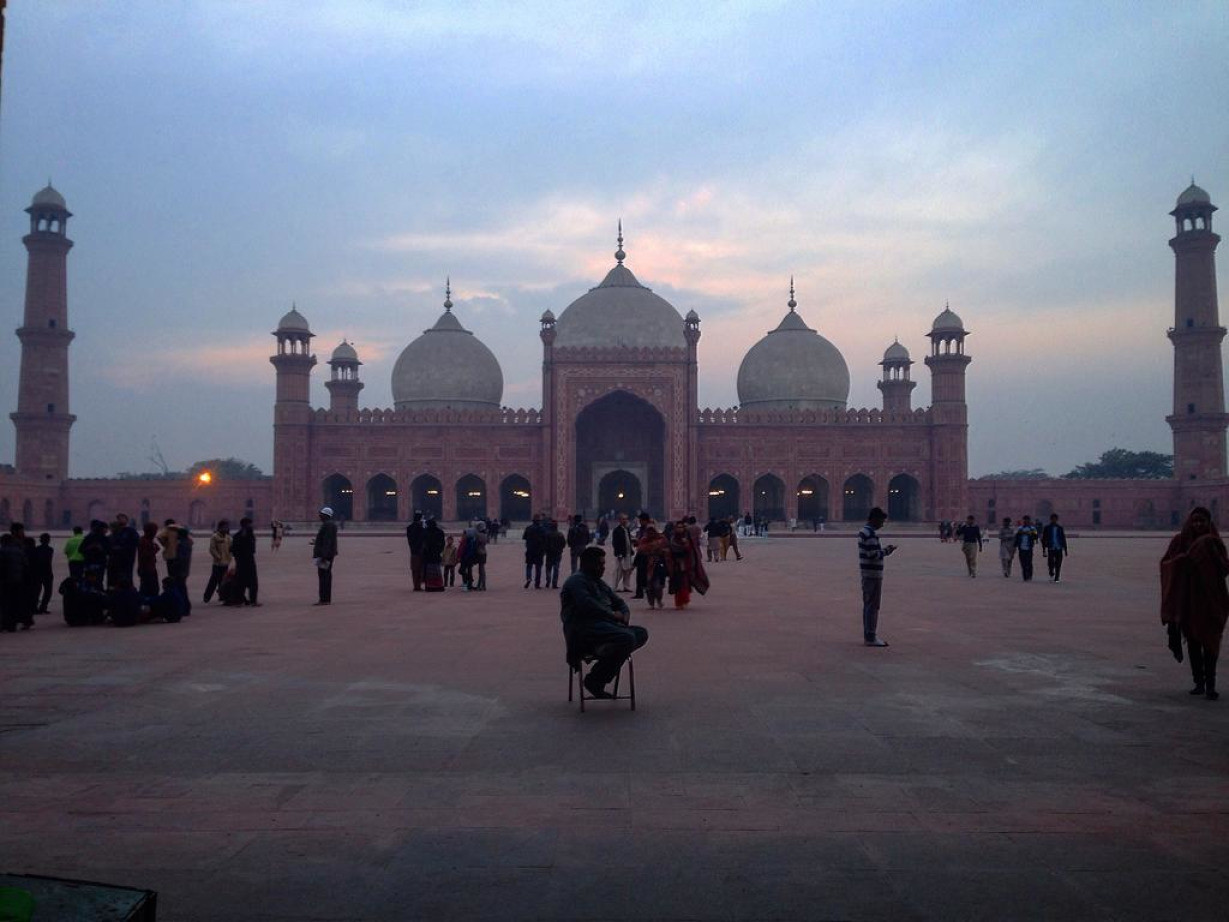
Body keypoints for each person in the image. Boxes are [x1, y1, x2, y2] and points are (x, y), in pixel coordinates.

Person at [560, 546, 650, 699]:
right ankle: (595, 679)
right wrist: (613, 615)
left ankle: (609, 649)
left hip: (606, 628)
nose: (603, 568)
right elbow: (588, 605)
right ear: (589, 564)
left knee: (641, 633)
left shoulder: (599, 583)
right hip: (585, 629)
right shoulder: (576, 582)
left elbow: (619, 602)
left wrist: (625, 614)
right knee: (626, 638)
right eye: (600, 564)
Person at [1161, 507, 1229, 701]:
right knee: (1193, 642)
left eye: (1202, 521)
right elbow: (1165, 564)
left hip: (1212, 600)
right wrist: (1181, 561)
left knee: (1211, 642)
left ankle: (1211, 685)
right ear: (1190, 522)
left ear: (1209, 522)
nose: (1199, 524)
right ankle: (1199, 682)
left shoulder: (1214, 543)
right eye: (1195, 521)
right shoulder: (1180, 541)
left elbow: (1224, 568)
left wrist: (1214, 558)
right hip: (1188, 600)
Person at [858, 507, 897, 647]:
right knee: (872, 606)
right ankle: (870, 636)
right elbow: (873, 555)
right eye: (881, 521)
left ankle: (868, 634)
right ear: (874, 519)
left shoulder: (866, 532)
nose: (882, 524)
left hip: (868, 573)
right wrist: (887, 551)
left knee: (868, 605)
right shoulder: (869, 534)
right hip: (872, 574)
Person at [666, 519, 709, 609]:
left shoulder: (687, 538)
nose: (679, 529)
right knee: (677, 584)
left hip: (685, 564)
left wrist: (686, 545)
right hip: (675, 564)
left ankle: (685, 600)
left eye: (681, 527)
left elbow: (691, 551)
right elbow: (671, 549)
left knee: (685, 584)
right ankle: (678, 602)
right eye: (678, 527)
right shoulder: (673, 538)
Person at [0, 532, 32, 631]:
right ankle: (12, 625)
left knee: (4, 603)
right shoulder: (19, 551)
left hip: (5, 581)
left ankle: (4, 624)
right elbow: (26, 564)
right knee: (14, 602)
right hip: (18, 580)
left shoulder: (2, 551)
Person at [312, 506, 338, 605]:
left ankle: (324, 599)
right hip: (327, 554)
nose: (319, 516)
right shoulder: (329, 524)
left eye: (321, 514)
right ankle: (325, 598)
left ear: (326, 515)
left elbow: (328, 541)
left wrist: (324, 555)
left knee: (324, 576)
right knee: (325, 575)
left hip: (325, 555)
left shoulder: (328, 525)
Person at [232, 517, 260, 605]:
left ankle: (252, 600)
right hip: (242, 561)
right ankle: (239, 600)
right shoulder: (238, 536)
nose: (251, 526)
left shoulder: (250, 535)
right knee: (241, 582)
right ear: (244, 525)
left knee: (253, 582)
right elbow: (234, 550)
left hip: (250, 560)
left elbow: (253, 549)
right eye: (249, 524)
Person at [639, 525, 668, 609]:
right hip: (647, 567)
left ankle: (659, 600)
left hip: (658, 565)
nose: (651, 533)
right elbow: (641, 550)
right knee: (649, 586)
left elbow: (666, 548)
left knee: (658, 586)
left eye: (652, 531)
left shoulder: (661, 539)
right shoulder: (644, 540)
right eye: (649, 531)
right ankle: (651, 603)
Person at [203, 519, 232, 603]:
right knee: (213, 581)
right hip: (217, 563)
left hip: (226, 562)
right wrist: (218, 557)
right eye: (224, 527)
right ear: (220, 527)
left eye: (227, 527)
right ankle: (207, 596)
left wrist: (229, 557)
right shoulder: (215, 537)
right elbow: (212, 549)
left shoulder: (228, 538)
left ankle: (222, 596)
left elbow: (231, 549)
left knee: (223, 581)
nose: (226, 528)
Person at [110, 513, 140, 588]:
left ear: (126, 520)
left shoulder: (131, 531)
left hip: (128, 557)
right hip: (117, 559)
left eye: (122, 518)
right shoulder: (116, 532)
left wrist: (124, 548)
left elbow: (136, 542)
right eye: (119, 518)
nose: (120, 520)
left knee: (127, 575)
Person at [610, 514, 634, 592]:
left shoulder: (627, 529)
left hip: (627, 553)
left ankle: (626, 586)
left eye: (626, 519)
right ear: (619, 520)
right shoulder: (617, 530)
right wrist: (618, 553)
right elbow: (615, 543)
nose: (625, 521)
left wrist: (631, 550)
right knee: (618, 571)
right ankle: (614, 586)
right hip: (621, 553)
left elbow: (628, 541)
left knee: (628, 570)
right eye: (623, 519)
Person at [31, 533, 54, 614]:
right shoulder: (50, 549)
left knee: (37, 591)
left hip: (37, 573)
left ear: (40, 540)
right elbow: (48, 561)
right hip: (47, 572)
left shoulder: (36, 549)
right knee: (48, 592)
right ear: (48, 540)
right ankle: (43, 607)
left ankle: (35, 608)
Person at [1041, 513, 1068, 583]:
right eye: (1053, 519)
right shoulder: (1047, 528)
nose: (1054, 520)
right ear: (1051, 519)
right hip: (1051, 548)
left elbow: (1063, 538)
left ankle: (1057, 577)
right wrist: (1044, 549)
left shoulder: (1060, 528)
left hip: (1058, 548)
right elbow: (1044, 539)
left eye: (1055, 519)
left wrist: (1065, 549)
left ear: (1057, 519)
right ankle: (1051, 572)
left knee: (1058, 563)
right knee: (1050, 563)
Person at [137, 521, 161, 598]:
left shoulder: (148, 540)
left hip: (149, 567)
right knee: (149, 589)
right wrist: (154, 550)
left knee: (150, 588)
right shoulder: (144, 541)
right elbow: (145, 555)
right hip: (147, 568)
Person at [422, 517, 446, 592]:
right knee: (437, 571)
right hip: (436, 554)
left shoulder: (426, 532)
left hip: (428, 555)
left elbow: (424, 543)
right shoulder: (440, 532)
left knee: (429, 572)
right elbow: (442, 544)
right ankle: (439, 586)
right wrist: (439, 551)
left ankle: (430, 587)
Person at [523, 514, 547, 589]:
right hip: (539, 550)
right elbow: (545, 539)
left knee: (529, 566)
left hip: (530, 549)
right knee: (538, 567)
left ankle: (529, 578)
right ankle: (537, 584)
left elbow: (524, 537)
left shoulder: (528, 528)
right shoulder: (543, 529)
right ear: (539, 521)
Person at [544, 519, 567, 589]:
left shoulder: (547, 534)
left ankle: (548, 580)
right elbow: (564, 544)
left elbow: (545, 543)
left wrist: (545, 550)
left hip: (549, 553)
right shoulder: (560, 534)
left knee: (548, 568)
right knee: (556, 568)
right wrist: (560, 549)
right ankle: (554, 583)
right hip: (557, 553)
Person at [1015, 515, 1039, 582]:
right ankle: (1025, 576)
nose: (1026, 521)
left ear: (1029, 521)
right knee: (1023, 563)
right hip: (1021, 548)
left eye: (1027, 520)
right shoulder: (1020, 529)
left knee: (1029, 562)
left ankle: (1029, 575)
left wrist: (1030, 533)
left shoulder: (1033, 529)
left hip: (1029, 548)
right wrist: (1015, 546)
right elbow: (1016, 537)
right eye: (1025, 520)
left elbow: (1036, 536)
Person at [406, 512, 425, 591]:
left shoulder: (409, 527)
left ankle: (415, 585)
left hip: (413, 551)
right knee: (420, 569)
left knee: (414, 570)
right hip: (420, 551)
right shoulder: (420, 528)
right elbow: (423, 538)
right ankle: (418, 586)